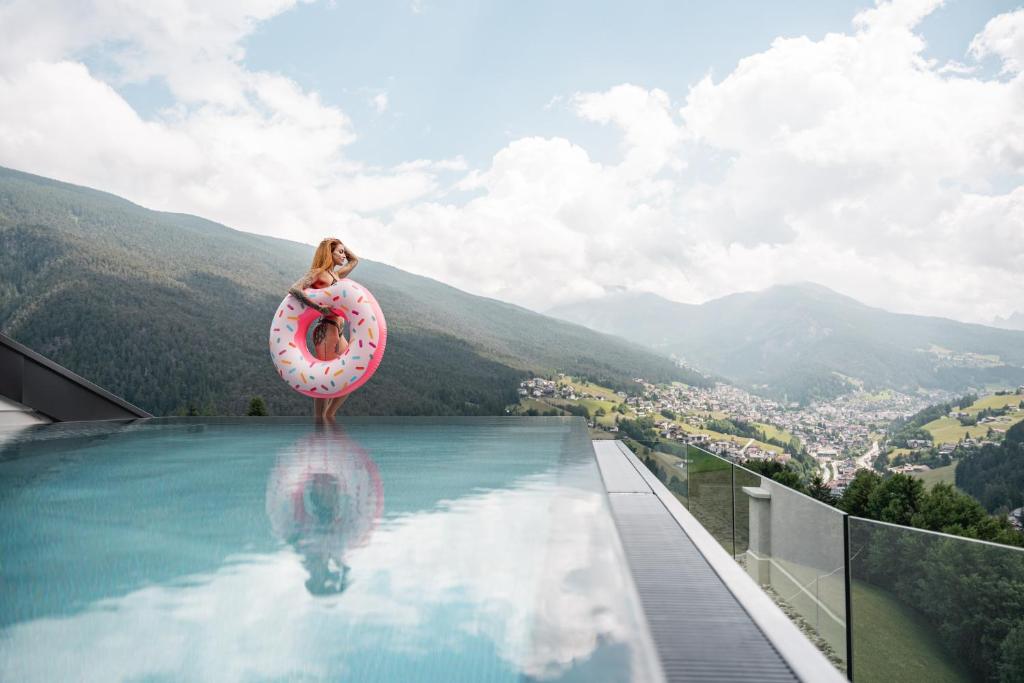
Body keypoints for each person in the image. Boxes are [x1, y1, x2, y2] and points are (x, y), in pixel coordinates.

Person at [288, 238, 360, 420]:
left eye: (344, 252)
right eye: (340, 252)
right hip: (326, 330)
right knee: (324, 380)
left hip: (339, 331)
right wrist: (318, 308)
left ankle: (329, 416)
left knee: (351, 375)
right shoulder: (318, 274)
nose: (344, 256)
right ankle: (320, 420)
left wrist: (339, 243)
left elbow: (355, 260)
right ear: (330, 253)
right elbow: (294, 289)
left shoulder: (337, 276)